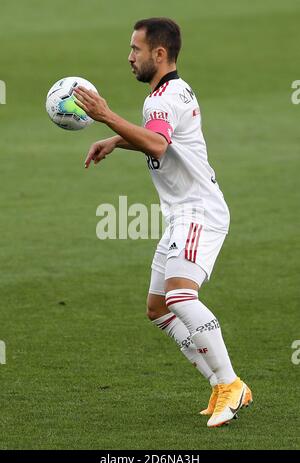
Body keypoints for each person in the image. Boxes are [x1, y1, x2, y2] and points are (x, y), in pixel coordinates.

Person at [73, 17, 252, 428]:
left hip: (197, 212)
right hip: (183, 213)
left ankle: (231, 383)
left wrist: (105, 116)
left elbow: (156, 141)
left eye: (136, 50)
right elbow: (164, 136)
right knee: (159, 308)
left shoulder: (159, 99)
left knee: (179, 296)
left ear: (159, 53)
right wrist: (117, 140)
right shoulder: (174, 90)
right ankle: (218, 383)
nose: (129, 57)